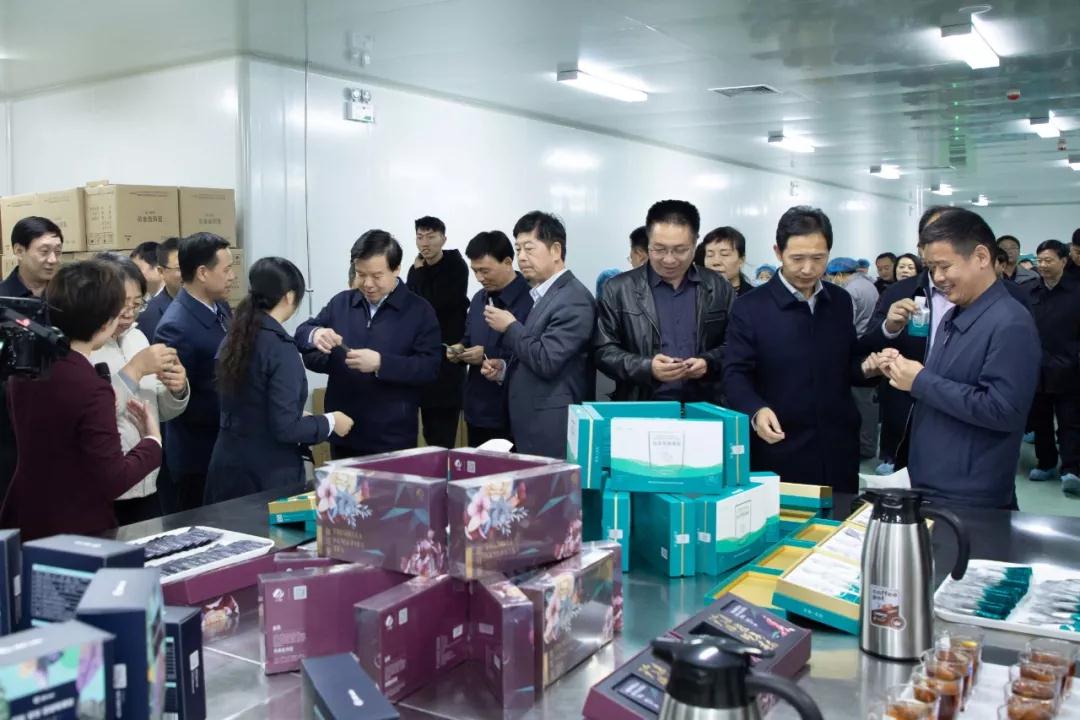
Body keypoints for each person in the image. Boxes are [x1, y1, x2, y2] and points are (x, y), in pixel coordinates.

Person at [877, 209, 1040, 509]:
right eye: (931, 268)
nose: (937, 278)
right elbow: (948, 382)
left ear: (981, 257)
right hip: (934, 482)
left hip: (969, 493)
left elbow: (1003, 410)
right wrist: (903, 370)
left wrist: (920, 381)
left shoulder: (1010, 323)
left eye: (944, 266)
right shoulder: (954, 315)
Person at [723, 206, 885, 492]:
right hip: (780, 443)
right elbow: (735, 373)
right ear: (778, 252)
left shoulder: (839, 301)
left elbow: (846, 363)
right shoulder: (750, 307)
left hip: (838, 445)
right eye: (797, 258)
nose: (808, 269)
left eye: (818, 258)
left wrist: (867, 368)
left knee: (840, 514)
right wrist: (756, 410)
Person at [0, 261, 162, 540]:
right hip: (76, 526)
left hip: (26, 514)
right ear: (106, 323)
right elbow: (113, 479)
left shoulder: (28, 367)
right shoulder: (91, 388)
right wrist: (152, 442)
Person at [207, 259, 354, 503]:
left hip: (228, 465)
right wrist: (330, 422)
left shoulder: (234, 336)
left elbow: (249, 402)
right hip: (266, 475)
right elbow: (286, 428)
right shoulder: (279, 348)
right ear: (289, 296)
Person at [296, 230, 441, 458]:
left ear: (396, 269)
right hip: (344, 430)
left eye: (376, 276)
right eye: (361, 274)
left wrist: (381, 363)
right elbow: (302, 334)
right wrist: (316, 334)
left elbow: (429, 368)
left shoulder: (419, 310)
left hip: (392, 436)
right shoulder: (342, 303)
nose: (367, 284)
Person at [480, 211, 595, 458]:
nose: (521, 257)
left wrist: (510, 327)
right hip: (533, 422)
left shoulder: (573, 298)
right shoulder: (546, 294)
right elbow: (534, 352)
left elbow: (548, 360)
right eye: (518, 249)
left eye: (529, 249)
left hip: (553, 426)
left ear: (556, 250)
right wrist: (504, 370)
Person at [595, 200, 734, 403]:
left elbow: (736, 344)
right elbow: (603, 351)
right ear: (648, 242)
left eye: (680, 250)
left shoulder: (719, 287)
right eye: (659, 249)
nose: (669, 259)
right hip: (641, 407)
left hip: (704, 406)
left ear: (695, 243)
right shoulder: (618, 289)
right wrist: (647, 367)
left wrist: (708, 362)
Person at [92, 253, 189, 524]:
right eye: (122, 304)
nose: (129, 313)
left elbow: (158, 411)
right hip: (105, 488)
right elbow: (95, 414)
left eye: (137, 304)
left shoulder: (138, 337)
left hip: (147, 479)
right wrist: (135, 369)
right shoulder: (84, 346)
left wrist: (177, 389)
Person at [863, 209, 960, 475]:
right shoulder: (899, 291)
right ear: (921, 248)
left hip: (960, 405)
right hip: (905, 401)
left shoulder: (988, 297)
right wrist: (890, 327)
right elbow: (870, 341)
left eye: (950, 235)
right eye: (933, 237)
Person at [154, 232, 235, 511]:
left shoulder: (220, 306)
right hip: (198, 456)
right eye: (226, 270)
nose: (232, 277)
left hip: (224, 444)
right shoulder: (175, 326)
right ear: (202, 273)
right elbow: (177, 401)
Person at [0, 217, 64, 509]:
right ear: (18, 250)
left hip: (60, 425)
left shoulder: (65, 299)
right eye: (44, 251)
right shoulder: (4, 302)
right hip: (10, 433)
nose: (52, 260)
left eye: (58, 252)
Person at [450, 231, 533, 447]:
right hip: (477, 409)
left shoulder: (531, 299)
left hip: (512, 412)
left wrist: (487, 354)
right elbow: (469, 337)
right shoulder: (479, 298)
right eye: (475, 271)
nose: (479, 278)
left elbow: (534, 352)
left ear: (507, 262)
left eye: (485, 271)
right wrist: (460, 349)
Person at [407, 216, 468, 449]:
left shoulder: (456, 266)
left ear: (443, 239)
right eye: (420, 237)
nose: (425, 243)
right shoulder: (415, 270)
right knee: (426, 430)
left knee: (443, 432)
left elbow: (434, 305)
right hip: (422, 359)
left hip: (448, 360)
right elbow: (411, 308)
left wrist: (420, 274)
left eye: (431, 237)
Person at [1026, 240, 1080, 494]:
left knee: (1070, 422)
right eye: (1040, 260)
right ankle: (1045, 463)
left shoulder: (1076, 291)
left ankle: (1072, 469)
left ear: (1063, 261)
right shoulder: (1031, 291)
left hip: (1070, 368)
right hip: (1037, 368)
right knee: (1041, 421)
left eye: (1048, 260)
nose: (1043, 265)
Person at [827, 256, 881, 460]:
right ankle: (868, 444)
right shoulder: (869, 285)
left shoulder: (849, 291)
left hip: (856, 350)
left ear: (839, 274)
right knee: (867, 403)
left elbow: (844, 324)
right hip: (870, 347)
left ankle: (863, 447)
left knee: (860, 402)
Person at [138, 237, 181, 345]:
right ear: (161, 271)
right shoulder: (149, 315)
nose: (189, 273)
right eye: (180, 269)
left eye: (191, 267)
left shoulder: (216, 303)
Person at [695, 226, 753, 296]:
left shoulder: (756, 297)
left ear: (741, 260)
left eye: (724, 254)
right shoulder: (694, 295)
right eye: (710, 255)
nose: (716, 262)